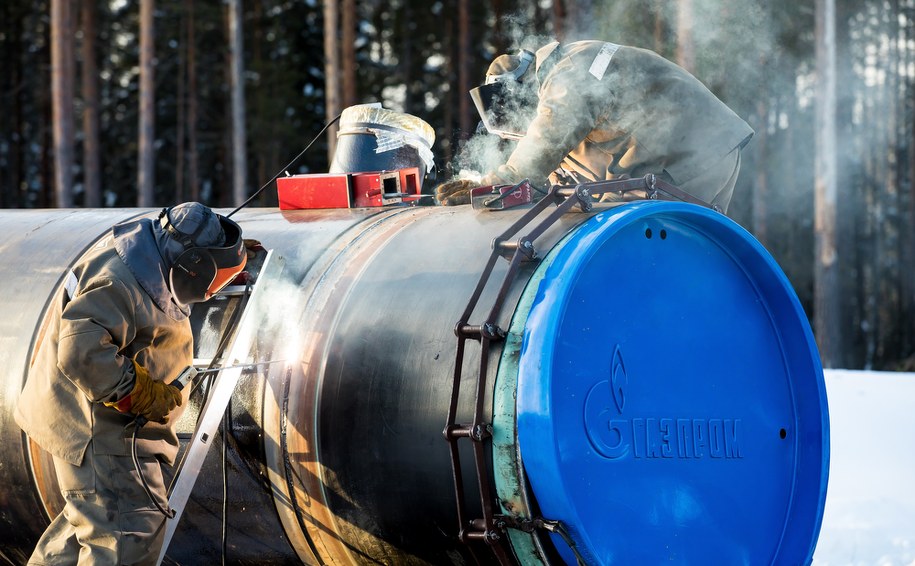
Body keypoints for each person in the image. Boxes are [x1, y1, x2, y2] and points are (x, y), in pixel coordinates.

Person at [14, 202, 247, 565]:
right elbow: (81, 353)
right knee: (128, 535)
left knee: (86, 532)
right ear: (193, 263)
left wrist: (229, 267)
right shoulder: (120, 282)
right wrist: (138, 393)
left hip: (80, 422)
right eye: (214, 280)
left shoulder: (148, 256)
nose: (214, 292)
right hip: (97, 433)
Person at [436, 40, 754, 212]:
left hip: (687, 158)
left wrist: (499, 183)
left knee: (632, 249)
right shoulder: (578, 62)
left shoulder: (568, 72)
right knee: (692, 260)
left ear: (523, 85)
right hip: (706, 151)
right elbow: (562, 172)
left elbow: (550, 133)